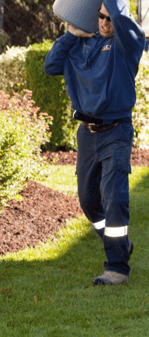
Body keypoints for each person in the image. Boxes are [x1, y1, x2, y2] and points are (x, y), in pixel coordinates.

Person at [44, 0, 144, 285]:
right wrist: (71, 34)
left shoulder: (127, 46)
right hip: (87, 133)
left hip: (116, 131)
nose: (104, 23)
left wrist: (115, 8)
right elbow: (51, 67)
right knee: (89, 201)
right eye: (99, 17)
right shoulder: (79, 43)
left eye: (109, 18)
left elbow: (121, 18)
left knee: (114, 196)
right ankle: (119, 243)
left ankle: (117, 267)